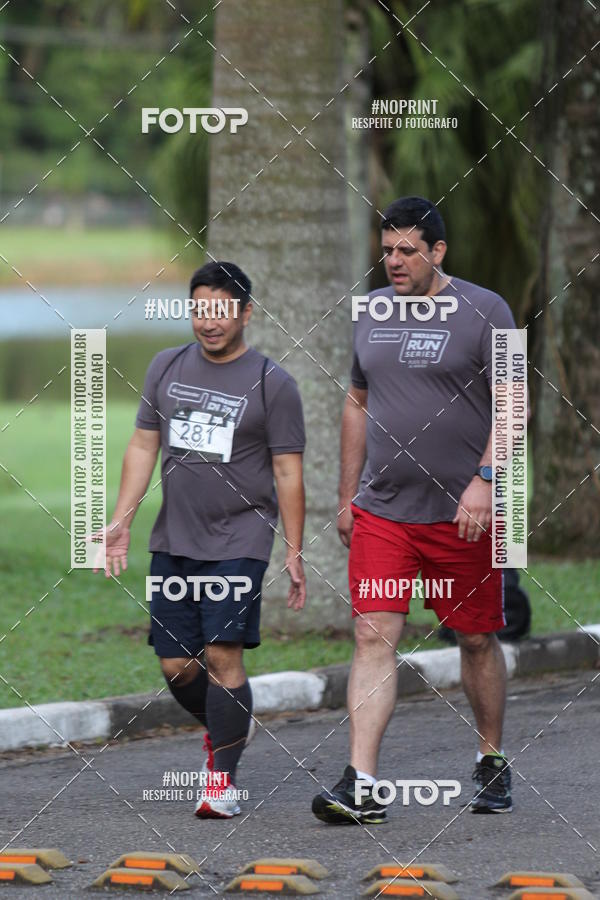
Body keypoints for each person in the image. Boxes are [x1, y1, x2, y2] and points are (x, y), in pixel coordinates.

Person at [312, 196, 517, 824]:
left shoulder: (488, 310)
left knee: (477, 638)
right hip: (385, 513)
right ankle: (362, 782)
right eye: (388, 250)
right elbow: (356, 403)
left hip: (464, 514)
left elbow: (514, 403)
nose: (394, 262)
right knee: (373, 633)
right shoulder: (371, 311)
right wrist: (348, 495)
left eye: (407, 250)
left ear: (438, 251)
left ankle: (490, 758)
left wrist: (486, 480)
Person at [96, 261, 306, 818]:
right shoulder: (166, 366)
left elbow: (288, 471)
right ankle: (228, 727)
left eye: (220, 311)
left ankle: (222, 781)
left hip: (240, 538)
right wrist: (121, 520)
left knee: (221, 654)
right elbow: (143, 447)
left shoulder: (272, 383)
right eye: (199, 310)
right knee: (176, 666)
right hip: (175, 538)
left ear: (245, 313)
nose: (208, 322)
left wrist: (294, 548)